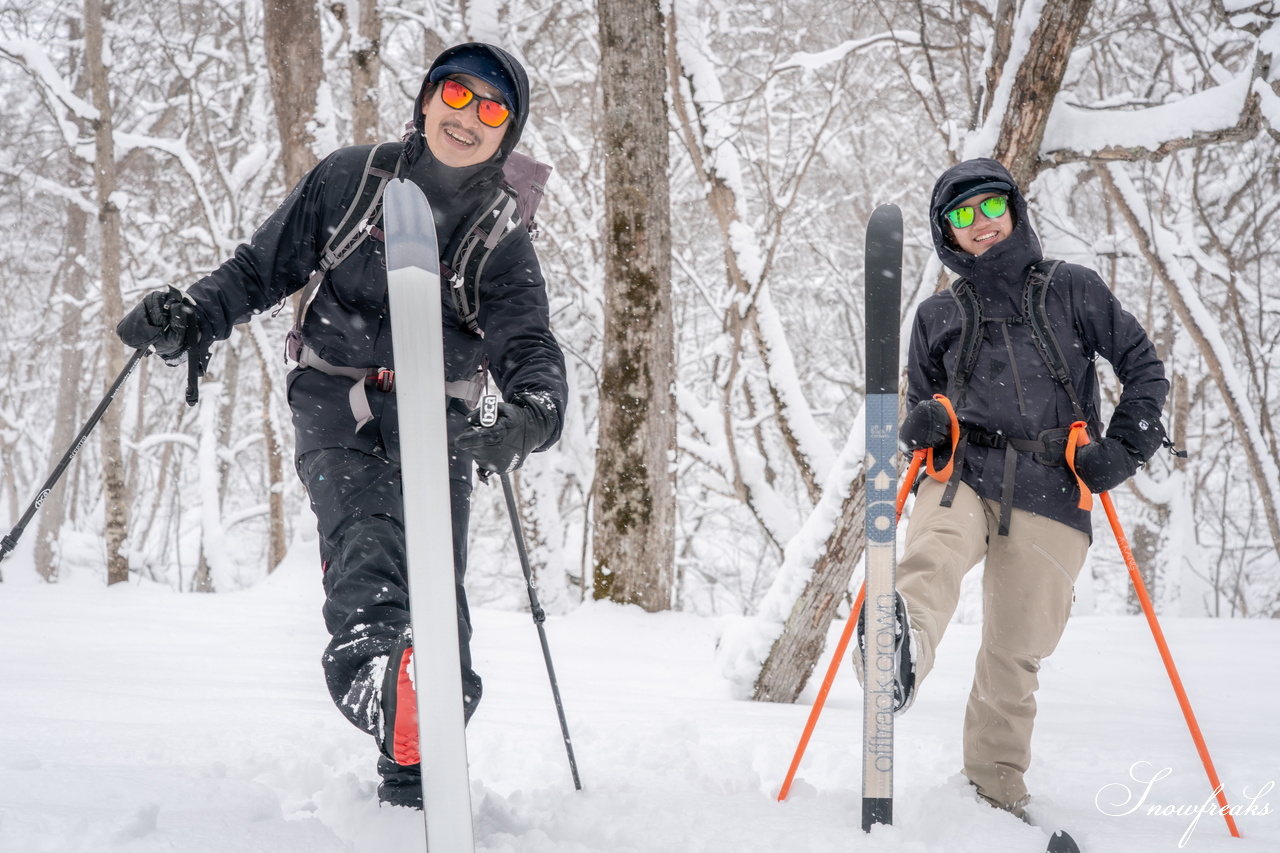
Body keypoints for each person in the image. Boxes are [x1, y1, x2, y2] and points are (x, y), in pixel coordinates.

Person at [115, 43, 568, 809]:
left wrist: (530, 417)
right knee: (367, 554)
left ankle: (417, 751)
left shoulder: (501, 237)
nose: (469, 117)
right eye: (457, 94)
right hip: (337, 402)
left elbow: (531, 350)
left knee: (437, 597)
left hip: (442, 421)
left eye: (492, 109)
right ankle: (388, 690)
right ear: (427, 100)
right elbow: (260, 269)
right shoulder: (353, 180)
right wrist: (191, 316)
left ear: (507, 135)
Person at [856, 158, 1168, 819]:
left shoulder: (1072, 289)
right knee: (934, 552)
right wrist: (924, 423)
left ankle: (995, 790)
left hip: (1054, 484)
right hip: (964, 472)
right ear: (947, 232)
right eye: (962, 214)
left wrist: (1122, 450)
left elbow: (1143, 367)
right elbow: (922, 412)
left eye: (991, 205)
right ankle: (895, 647)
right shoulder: (937, 315)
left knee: (1016, 648)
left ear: (1014, 209)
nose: (981, 222)